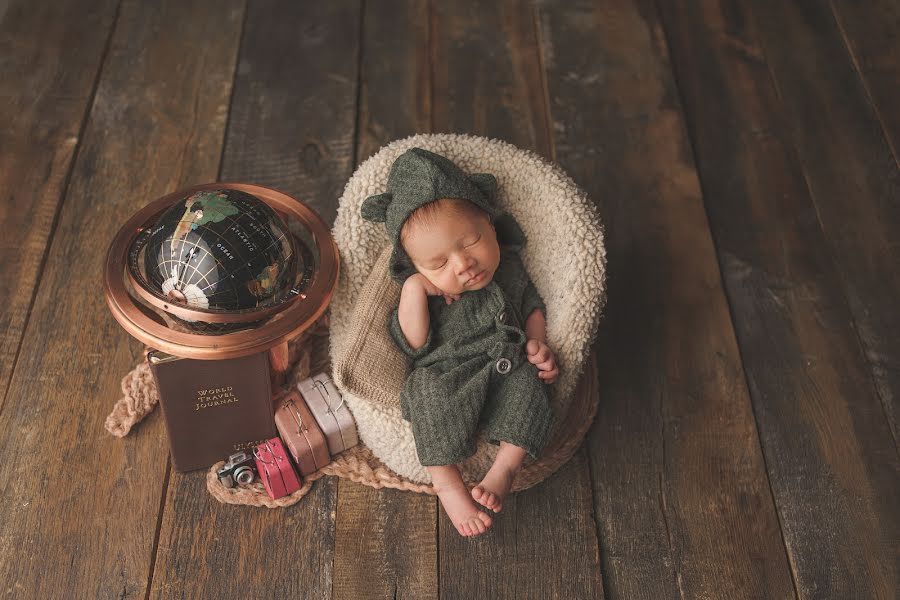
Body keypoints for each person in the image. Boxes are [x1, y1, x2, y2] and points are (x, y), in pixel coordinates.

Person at [361, 147, 558, 537]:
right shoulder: (420, 291)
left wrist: (538, 345)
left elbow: (532, 305)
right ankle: (449, 486)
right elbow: (413, 343)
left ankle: (503, 469)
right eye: (438, 264)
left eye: (471, 241)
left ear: (489, 222)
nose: (463, 264)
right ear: (414, 266)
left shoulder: (511, 268)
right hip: (448, 372)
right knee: (427, 395)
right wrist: (416, 290)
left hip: (508, 362)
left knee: (534, 387)